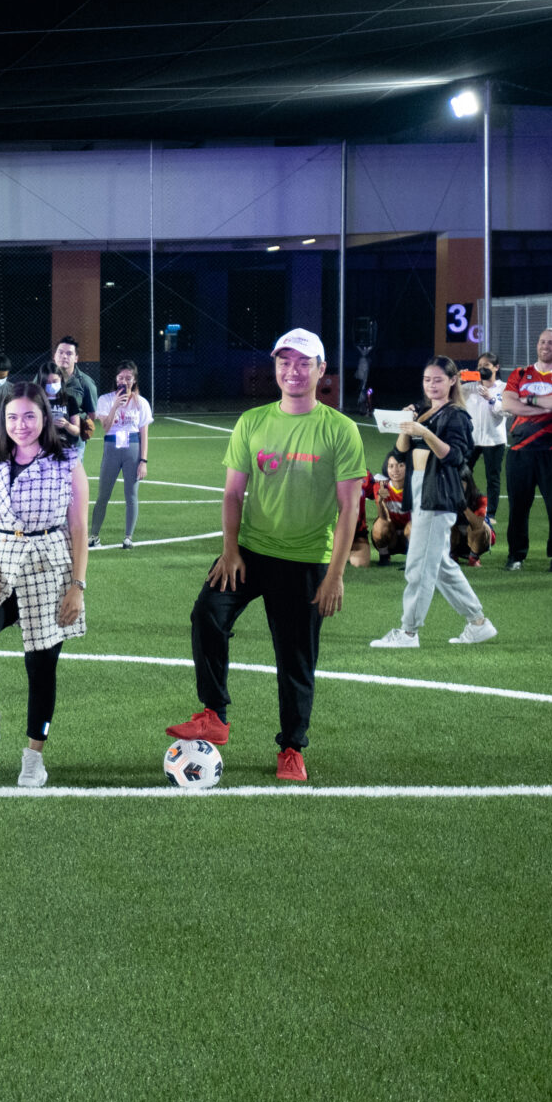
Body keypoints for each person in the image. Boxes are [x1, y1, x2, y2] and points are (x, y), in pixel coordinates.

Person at [166, 328, 365, 783]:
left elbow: (350, 506)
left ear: (320, 371)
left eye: (302, 363)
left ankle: (292, 748)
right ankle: (214, 713)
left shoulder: (340, 430)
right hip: (251, 552)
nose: (291, 371)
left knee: (295, 660)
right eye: (284, 362)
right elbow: (233, 494)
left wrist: (334, 576)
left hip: (306, 560)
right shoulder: (252, 422)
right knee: (207, 615)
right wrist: (230, 550)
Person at [0, 383, 89, 788]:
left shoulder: (67, 460)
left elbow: (79, 527)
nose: (20, 425)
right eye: (12, 417)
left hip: (50, 566)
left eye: (30, 416)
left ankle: (34, 757)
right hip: (1, 562)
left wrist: (77, 586)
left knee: (41, 665)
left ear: (45, 417)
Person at [372, 358, 496, 648]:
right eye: (427, 379)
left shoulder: (457, 415)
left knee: (418, 567)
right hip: (420, 490)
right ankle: (478, 623)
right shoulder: (423, 410)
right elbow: (399, 453)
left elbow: (455, 457)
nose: (431, 385)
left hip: (438, 493)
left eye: (438, 379)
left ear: (453, 381)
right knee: (440, 566)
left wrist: (425, 433)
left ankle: (408, 632)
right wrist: (407, 426)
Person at [500, 327, 552, 572]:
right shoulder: (521, 374)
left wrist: (528, 401)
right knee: (518, 506)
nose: (545, 346)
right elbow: (508, 404)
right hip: (520, 451)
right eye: (542, 341)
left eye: (551, 343)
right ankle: (516, 555)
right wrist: (547, 408)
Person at [87, 360, 152, 549]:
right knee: (103, 494)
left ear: (134, 380)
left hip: (132, 448)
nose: (124, 381)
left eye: (128, 378)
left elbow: (144, 434)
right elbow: (106, 428)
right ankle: (94, 535)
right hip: (112, 447)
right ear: (116, 379)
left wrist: (143, 461)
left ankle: (128, 537)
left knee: (131, 494)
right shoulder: (105, 400)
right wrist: (115, 405)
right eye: (121, 377)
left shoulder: (142, 403)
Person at [463, 354, 507, 520]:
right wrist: (457, 379)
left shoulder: (504, 388)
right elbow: (450, 395)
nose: (482, 368)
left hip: (494, 440)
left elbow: (505, 412)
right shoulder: (468, 387)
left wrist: (491, 399)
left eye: (487, 365)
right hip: (471, 439)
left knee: (493, 478)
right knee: (463, 473)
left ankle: (491, 513)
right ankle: (464, 506)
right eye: (480, 364)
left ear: (496, 367)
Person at [365, 454, 413, 565]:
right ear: (386, 469)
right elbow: (383, 518)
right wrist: (380, 500)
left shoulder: (415, 486)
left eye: (400, 465)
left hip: (411, 536)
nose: (395, 470)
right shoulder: (382, 486)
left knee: (414, 526)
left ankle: (413, 560)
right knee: (381, 525)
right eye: (391, 466)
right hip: (391, 537)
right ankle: (384, 556)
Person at [40, 360, 94, 453]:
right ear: (42, 382)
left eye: (54, 381)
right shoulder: (38, 401)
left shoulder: (70, 400)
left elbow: (77, 431)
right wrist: (44, 423)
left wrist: (66, 424)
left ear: (61, 379)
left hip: (67, 447)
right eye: (48, 382)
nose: (51, 385)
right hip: (44, 448)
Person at [49, 336, 100, 424]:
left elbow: (92, 414)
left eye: (69, 353)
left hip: (73, 435)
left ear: (76, 358)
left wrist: (75, 426)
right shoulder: (43, 377)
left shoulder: (86, 382)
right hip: (49, 435)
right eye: (60, 352)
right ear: (54, 356)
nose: (64, 356)